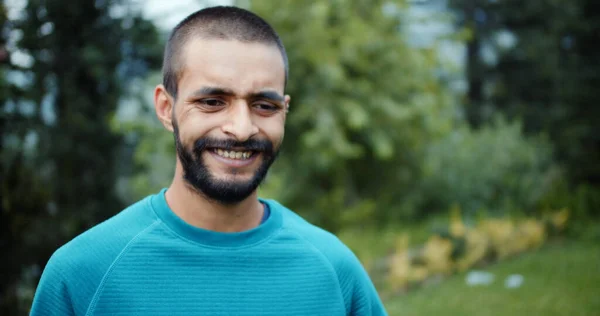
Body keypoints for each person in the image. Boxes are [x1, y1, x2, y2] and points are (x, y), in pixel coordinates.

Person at [30, 6, 387, 316]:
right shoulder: (82, 274)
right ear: (166, 108)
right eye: (213, 101)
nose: (242, 129)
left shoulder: (334, 270)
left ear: (285, 110)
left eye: (264, 105)